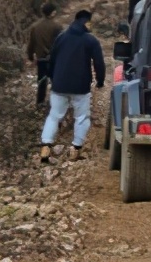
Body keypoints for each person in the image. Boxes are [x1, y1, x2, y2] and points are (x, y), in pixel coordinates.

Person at [40, 10, 105, 163]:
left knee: (54, 115)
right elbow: (99, 64)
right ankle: (75, 149)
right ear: (86, 22)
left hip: (59, 85)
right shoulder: (91, 41)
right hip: (81, 87)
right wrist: (100, 81)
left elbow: (52, 59)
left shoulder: (61, 37)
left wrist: (52, 77)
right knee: (82, 118)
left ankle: (45, 146)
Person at [26, 2, 60, 109]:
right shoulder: (57, 27)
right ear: (53, 13)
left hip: (41, 59)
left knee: (41, 81)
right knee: (56, 80)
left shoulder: (35, 27)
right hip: (54, 60)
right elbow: (59, 44)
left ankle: (40, 102)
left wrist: (31, 56)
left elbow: (31, 44)